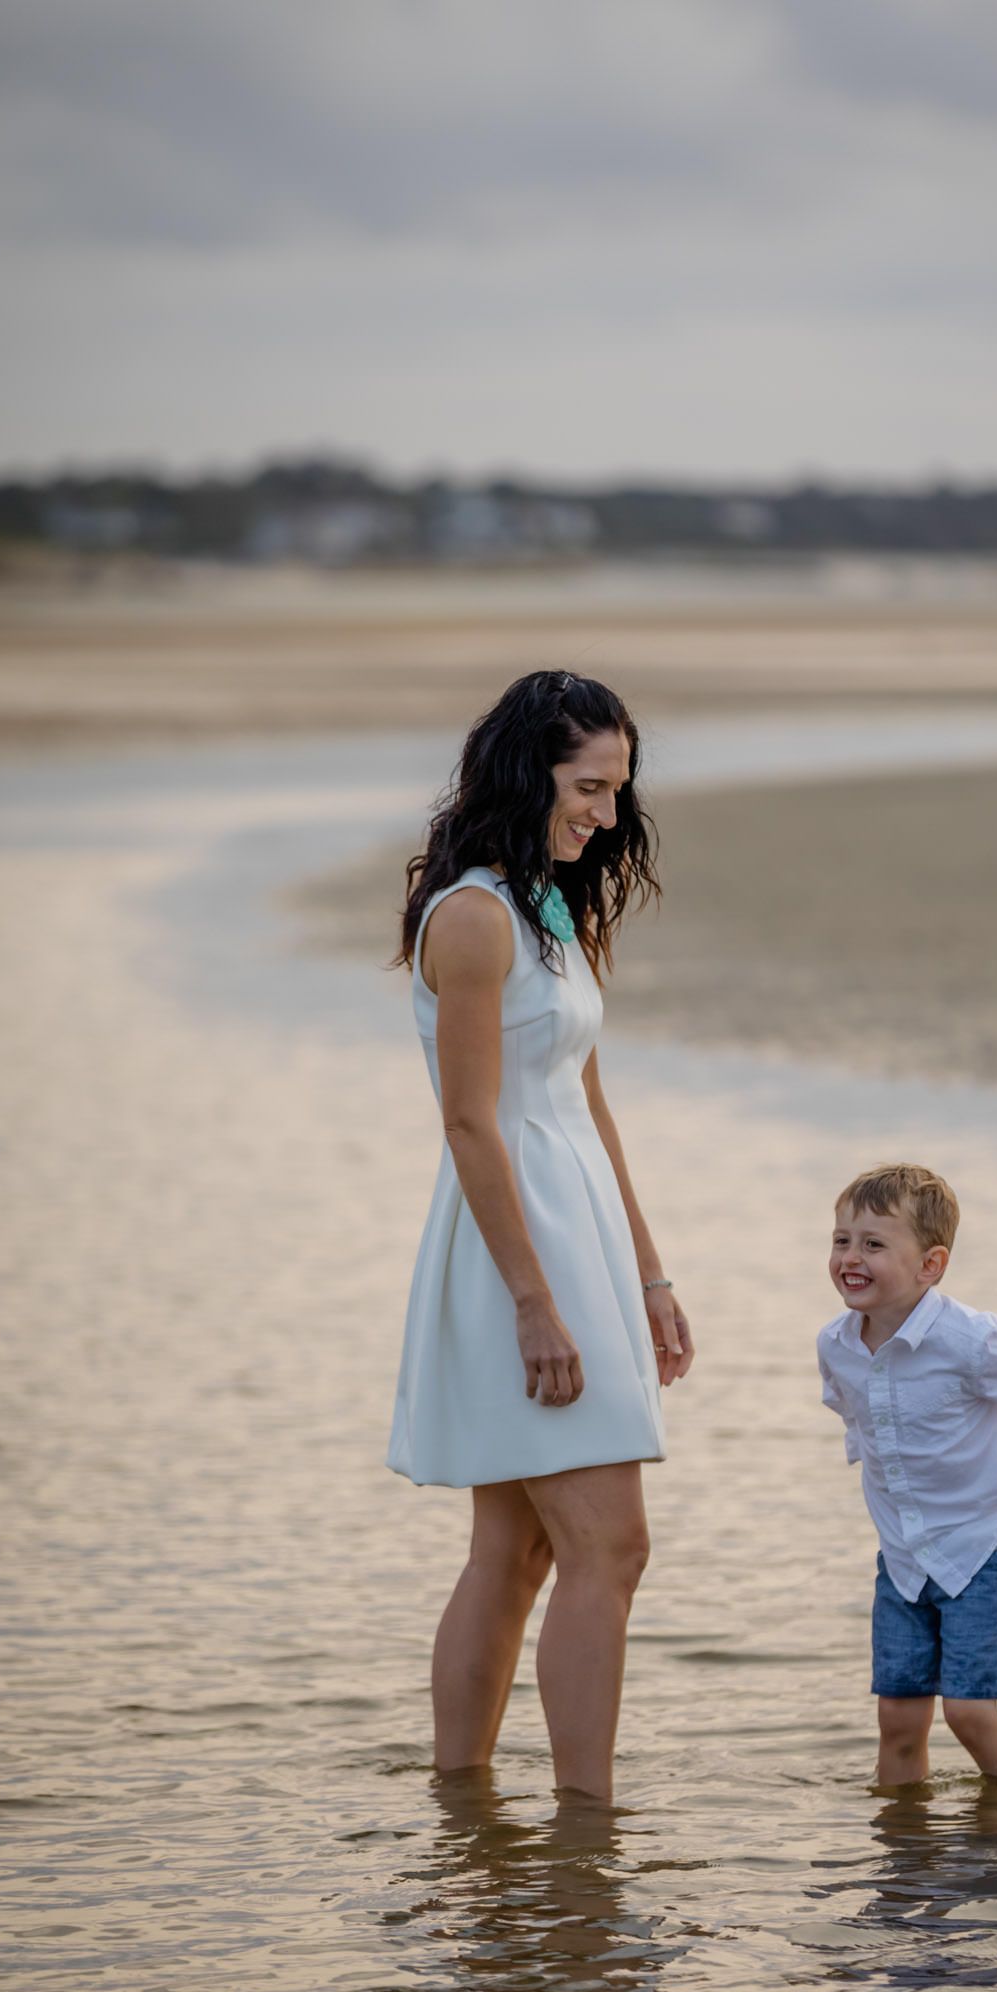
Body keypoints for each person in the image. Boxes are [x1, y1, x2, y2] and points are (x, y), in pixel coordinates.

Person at [388, 670, 695, 1802]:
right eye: (588, 787)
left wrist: (651, 1274)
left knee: (518, 1553)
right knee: (608, 1546)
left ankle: (461, 1809)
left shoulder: (549, 906)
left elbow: (586, 1100)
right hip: (519, 1247)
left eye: (617, 792)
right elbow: (471, 1121)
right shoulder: (471, 916)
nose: (606, 816)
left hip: (584, 1237)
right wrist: (532, 1302)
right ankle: (586, 1828)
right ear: (528, 773)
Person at [817, 1164, 997, 1787]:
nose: (851, 1257)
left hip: (981, 1553)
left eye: (874, 1245)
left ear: (930, 1265)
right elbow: (855, 1415)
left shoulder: (967, 1342)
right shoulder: (836, 1343)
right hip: (904, 1560)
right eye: (841, 1240)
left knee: (969, 1712)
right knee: (898, 1720)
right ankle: (902, 1856)